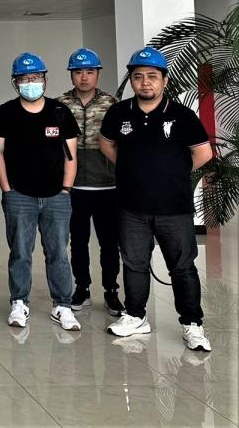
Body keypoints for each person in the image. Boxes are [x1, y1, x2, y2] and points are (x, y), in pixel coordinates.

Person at [101, 48, 213, 352]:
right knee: (134, 263)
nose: (145, 82)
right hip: (131, 207)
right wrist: (132, 170)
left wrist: (172, 173)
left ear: (164, 80)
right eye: (138, 77)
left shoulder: (182, 115)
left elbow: (203, 153)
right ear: (132, 81)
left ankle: (192, 324)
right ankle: (136, 315)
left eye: (152, 76)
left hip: (173, 208)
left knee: (182, 267)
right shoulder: (119, 113)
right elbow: (107, 144)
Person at [0, 53, 82, 332]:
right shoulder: (5, 113)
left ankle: (63, 305)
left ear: (45, 79)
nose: (31, 83)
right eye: (25, 78)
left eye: (36, 78)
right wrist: (7, 189)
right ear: (15, 82)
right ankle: (19, 302)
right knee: (20, 252)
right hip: (19, 195)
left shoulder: (59, 111)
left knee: (59, 253)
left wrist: (66, 189)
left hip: (57, 196)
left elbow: (71, 155)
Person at [58, 48, 123, 315]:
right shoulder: (59, 105)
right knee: (78, 241)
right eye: (78, 72)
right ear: (71, 75)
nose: (84, 77)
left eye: (89, 72)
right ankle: (82, 287)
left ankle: (111, 290)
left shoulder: (113, 104)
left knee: (109, 242)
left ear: (97, 74)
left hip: (108, 185)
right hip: (73, 187)